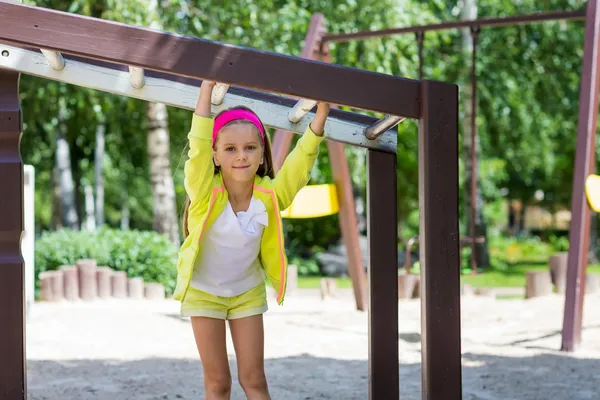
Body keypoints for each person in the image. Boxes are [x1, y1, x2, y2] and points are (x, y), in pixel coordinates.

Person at [174, 79, 330, 400]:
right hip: (204, 294)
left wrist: (319, 120)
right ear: (216, 156)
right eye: (230, 149)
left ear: (262, 154)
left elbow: (299, 167)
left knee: (254, 379)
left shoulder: (270, 195)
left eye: (250, 148)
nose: (241, 156)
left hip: (246, 293)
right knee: (218, 383)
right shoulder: (204, 192)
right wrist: (206, 92)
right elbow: (198, 145)